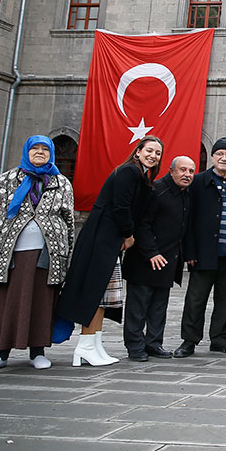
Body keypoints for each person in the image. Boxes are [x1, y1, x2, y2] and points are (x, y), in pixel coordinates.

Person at [0, 135, 74, 371]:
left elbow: (68, 220)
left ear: (51, 154)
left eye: (45, 149)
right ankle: (0, 353)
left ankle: (37, 351)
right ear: (26, 152)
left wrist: (66, 253)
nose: (40, 152)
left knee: (40, 302)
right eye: (35, 148)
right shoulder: (7, 179)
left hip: (46, 255)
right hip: (7, 255)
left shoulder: (61, 183)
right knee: (4, 303)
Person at [58, 135, 163, 367]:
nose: (153, 156)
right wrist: (128, 235)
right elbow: (121, 207)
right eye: (149, 150)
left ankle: (94, 343)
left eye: (157, 153)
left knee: (104, 295)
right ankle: (85, 346)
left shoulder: (140, 175)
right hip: (101, 239)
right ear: (138, 151)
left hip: (109, 241)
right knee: (95, 292)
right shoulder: (129, 172)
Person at [174, 137, 226, 357]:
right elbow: (188, 219)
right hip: (203, 254)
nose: (224, 158)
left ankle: (220, 339)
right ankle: (189, 341)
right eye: (220, 154)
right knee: (195, 300)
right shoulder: (198, 182)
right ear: (212, 157)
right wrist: (190, 251)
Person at [124, 155, 195, 361]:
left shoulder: (186, 194)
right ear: (171, 171)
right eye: (182, 170)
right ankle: (135, 347)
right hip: (144, 260)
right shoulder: (155, 190)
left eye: (191, 171)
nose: (187, 175)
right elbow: (142, 224)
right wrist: (151, 252)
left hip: (168, 261)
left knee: (158, 307)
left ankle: (154, 343)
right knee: (138, 308)